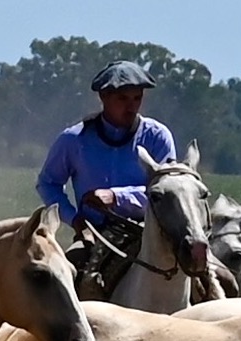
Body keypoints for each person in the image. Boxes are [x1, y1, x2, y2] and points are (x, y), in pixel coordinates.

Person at [35, 60, 178, 235]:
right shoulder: (73, 139)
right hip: (93, 234)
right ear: (104, 97)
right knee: (69, 261)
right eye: (123, 98)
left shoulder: (157, 136)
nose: (131, 106)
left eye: (137, 98)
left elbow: (168, 191)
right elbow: (48, 183)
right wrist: (74, 219)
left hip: (149, 233)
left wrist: (116, 197)